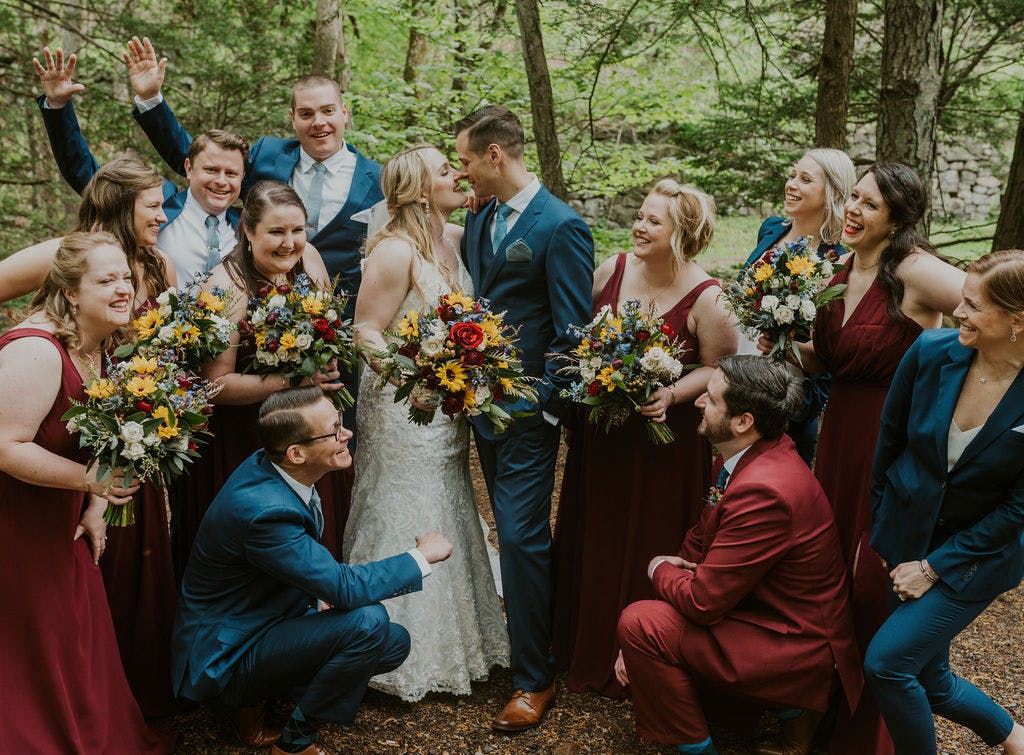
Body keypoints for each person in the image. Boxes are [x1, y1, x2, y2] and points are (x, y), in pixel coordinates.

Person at [759, 162, 966, 754]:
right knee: (826, 576)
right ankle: (817, 709)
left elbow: (989, 304)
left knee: (875, 578)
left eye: (870, 205)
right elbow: (828, 360)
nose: (852, 210)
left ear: (897, 218)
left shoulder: (915, 271)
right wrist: (784, 333)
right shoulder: (836, 268)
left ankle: (868, 731)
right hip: (839, 436)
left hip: (894, 438)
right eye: (853, 198)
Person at [173, 386, 453, 755]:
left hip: (264, 618)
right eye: (335, 429)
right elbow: (345, 588)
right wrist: (421, 556)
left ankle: (272, 697)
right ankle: (290, 739)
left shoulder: (277, 467)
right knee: (368, 622)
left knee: (392, 642)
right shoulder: (264, 512)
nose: (347, 434)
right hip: (227, 656)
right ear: (297, 453)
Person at [0, 157, 182, 718]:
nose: (124, 288)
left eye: (125, 279)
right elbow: (7, 443)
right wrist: (91, 479)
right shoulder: (38, 347)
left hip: (82, 483)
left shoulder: (105, 339)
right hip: (26, 502)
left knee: (83, 607)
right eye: (108, 281)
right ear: (72, 291)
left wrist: (98, 497)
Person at [615, 355, 863, 755]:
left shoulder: (765, 490)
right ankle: (789, 717)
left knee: (640, 624)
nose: (697, 402)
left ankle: (706, 748)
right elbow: (701, 536)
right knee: (653, 620)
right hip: (767, 611)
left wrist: (659, 568)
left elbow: (702, 601)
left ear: (743, 421)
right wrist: (674, 583)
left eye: (710, 400)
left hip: (797, 641)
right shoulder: (750, 454)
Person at [552, 180, 737, 699]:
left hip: (664, 444)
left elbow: (720, 366)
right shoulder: (611, 269)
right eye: (640, 215)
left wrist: (672, 394)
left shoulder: (709, 297)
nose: (639, 226)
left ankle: (641, 654)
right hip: (603, 437)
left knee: (650, 536)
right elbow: (577, 334)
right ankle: (582, 647)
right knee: (599, 529)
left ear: (684, 234)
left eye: (655, 221)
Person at [343, 144, 509, 700]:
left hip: (447, 407)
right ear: (417, 191)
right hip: (402, 404)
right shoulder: (393, 251)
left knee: (449, 497)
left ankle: (461, 640)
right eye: (445, 171)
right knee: (404, 500)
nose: (457, 175)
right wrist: (411, 382)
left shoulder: (456, 240)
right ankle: (390, 647)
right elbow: (365, 330)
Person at [453, 105, 594, 730]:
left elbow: (572, 332)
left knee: (519, 534)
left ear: (494, 156)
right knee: (508, 533)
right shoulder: (481, 217)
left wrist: (541, 405)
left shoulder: (561, 226)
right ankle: (531, 647)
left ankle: (535, 678)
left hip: (528, 415)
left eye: (464, 161)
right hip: (480, 407)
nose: (461, 175)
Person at [866, 250, 1024, 755]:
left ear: (1017, 321)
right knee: (929, 678)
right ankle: (1014, 737)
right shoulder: (931, 352)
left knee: (887, 664)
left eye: (974, 306)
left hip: (976, 558)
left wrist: (932, 567)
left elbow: (1019, 508)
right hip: (906, 536)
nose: (958, 312)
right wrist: (884, 524)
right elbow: (888, 443)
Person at [175, 180, 349, 577]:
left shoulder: (311, 260)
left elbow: (329, 334)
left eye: (297, 230)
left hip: (310, 429)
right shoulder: (226, 287)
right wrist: (294, 382)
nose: (290, 243)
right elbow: (215, 385)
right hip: (248, 440)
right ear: (248, 232)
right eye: (276, 232)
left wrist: (327, 361)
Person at [32, 46, 247, 283]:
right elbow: (84, 172)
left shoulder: (250, 227)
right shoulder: (157, 205)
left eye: (231, 173)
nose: (221, 181)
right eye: (211, 170)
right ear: (188, 168)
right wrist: (58, 106)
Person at [739, 149, 856, 465]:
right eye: (793, 175)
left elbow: (829, 340)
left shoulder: (837, 260)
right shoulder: (772, 228)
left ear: (831, 192)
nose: (792, 184)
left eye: (805, 179)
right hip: (741, 363)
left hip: (788, 386)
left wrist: (783, 341)